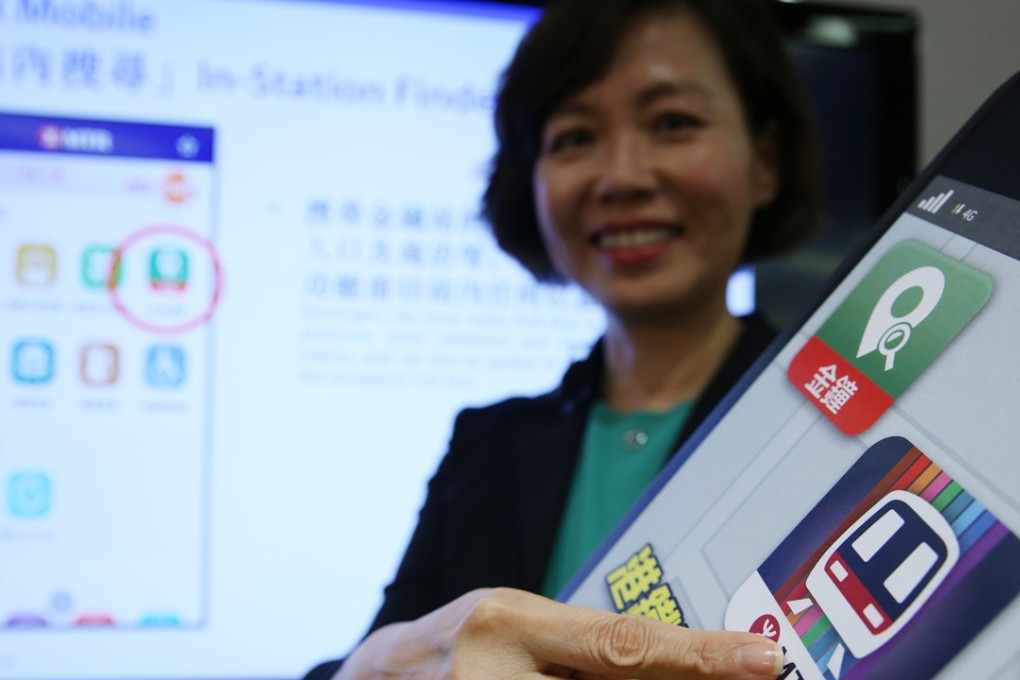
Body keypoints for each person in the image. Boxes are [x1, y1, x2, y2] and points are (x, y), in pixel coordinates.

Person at [305, 0, 820, 677]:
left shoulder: (831, 414)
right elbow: (393, 657)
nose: (623, 177)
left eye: (673, 123)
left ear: (765, 161)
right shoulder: (485, 447)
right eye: (575, 137)